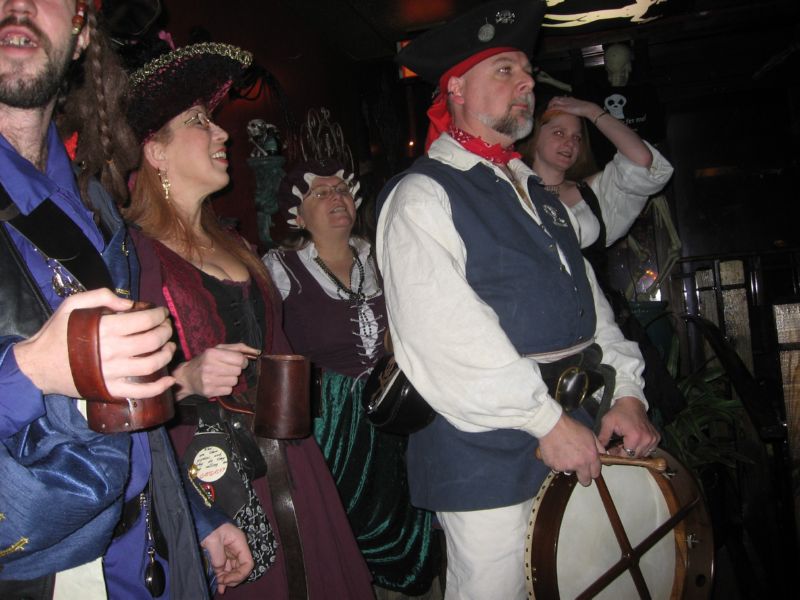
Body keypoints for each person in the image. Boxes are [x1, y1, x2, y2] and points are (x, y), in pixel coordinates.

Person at [375, 1, 660, 599]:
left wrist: (627, 392)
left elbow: (590, 311)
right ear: (455, 89)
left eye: (527, 72)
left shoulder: (540, 194)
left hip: (576, 426)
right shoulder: (422, 194)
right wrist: (545, 421)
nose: (526, 83)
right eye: (504, 70)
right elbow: (444, 335)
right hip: (484, 452)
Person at [0, 2, 247, 599]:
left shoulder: (96, 209)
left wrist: (194, 515)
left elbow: (131, 409)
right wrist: (30, 371)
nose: (19, 4)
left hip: (149, 550)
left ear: (82, 31)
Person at [123, 42, 374, 599]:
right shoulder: (133, 254)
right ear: (156, 152)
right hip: (206, 471)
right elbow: (112, 394)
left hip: (289, 455)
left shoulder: (237, 245)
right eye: (199, 122)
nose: (222, 134)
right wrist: (184, 378)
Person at [263, 159, 440, 597]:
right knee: (343, 532)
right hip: (331, 432)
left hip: (395, 419)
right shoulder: (280, 269)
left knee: (409, 524)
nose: (336, 198)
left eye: (341, 189)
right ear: (297, 215)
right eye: (320, 193)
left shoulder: (383, 255)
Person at [520, 95, 673, 253]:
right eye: (559, 133)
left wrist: (591, 110)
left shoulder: (594, 192)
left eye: (577, 137)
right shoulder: (512, 190)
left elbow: (641, 160)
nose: (570, 143)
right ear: (534, 136)